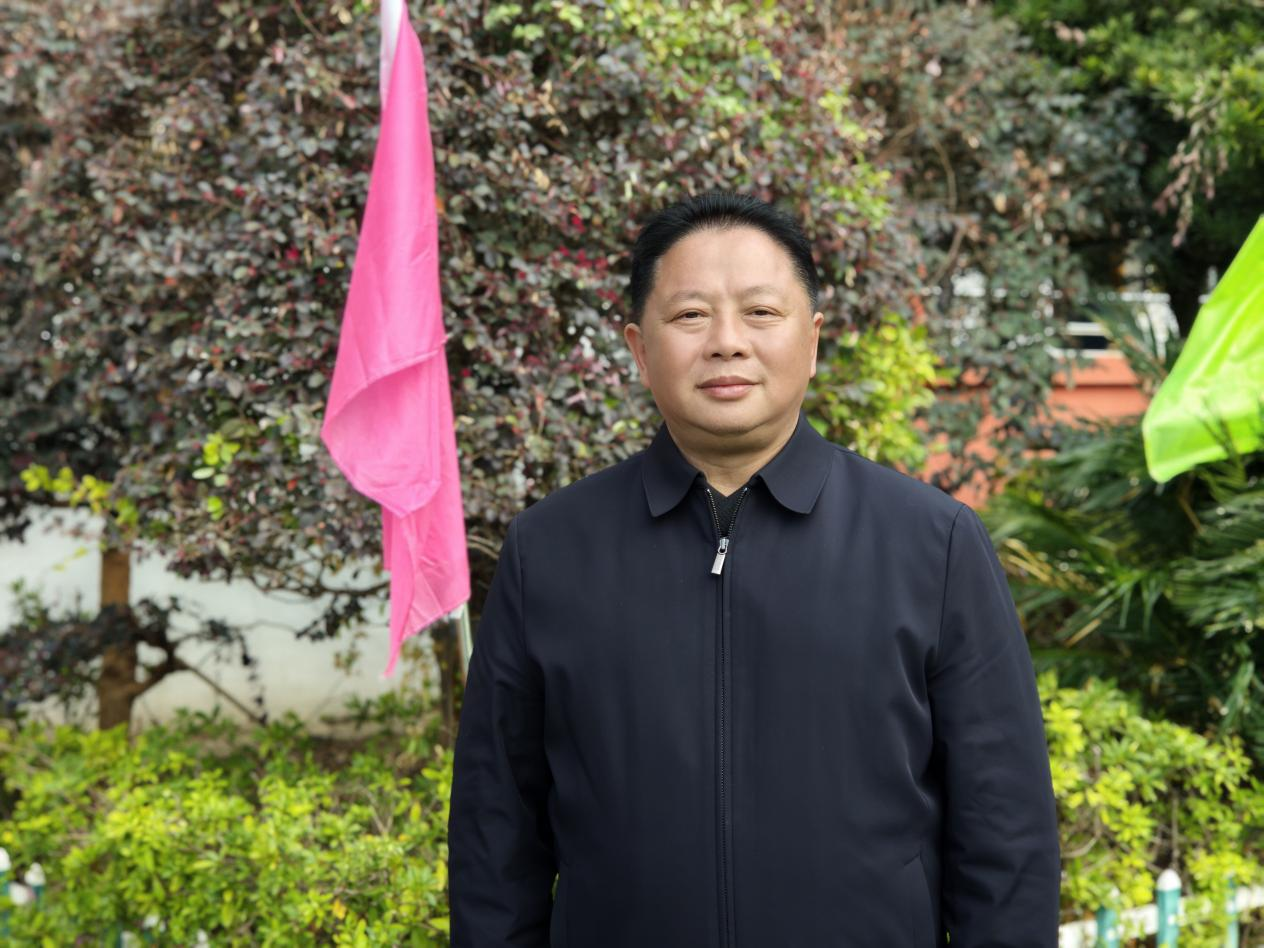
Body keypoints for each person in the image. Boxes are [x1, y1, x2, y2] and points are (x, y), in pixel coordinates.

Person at [447, 190, 1061, 947]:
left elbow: (1006, 835)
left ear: (813, 339)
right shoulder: (549, 551)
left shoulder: (932, 545)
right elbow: (495, 835)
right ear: (639, 348)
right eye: (690, 315)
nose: (727, 343)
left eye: (761, 312)